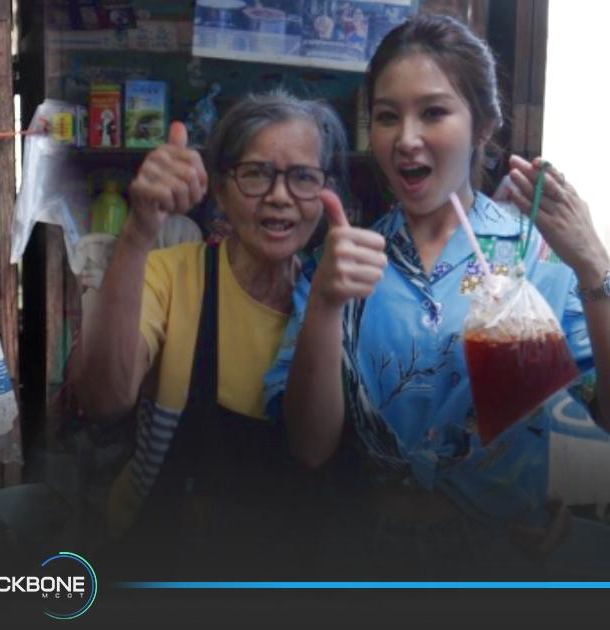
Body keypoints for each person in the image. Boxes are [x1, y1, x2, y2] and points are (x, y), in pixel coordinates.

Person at [269, 14, 610, 578]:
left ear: (483, 126)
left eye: (433, 111)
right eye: (386, 116)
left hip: (506, 562)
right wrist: (327, 306)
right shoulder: (343, 264)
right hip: (362, 560)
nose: (406, 139)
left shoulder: (539, 257)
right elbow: (309, 447)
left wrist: (595, 266)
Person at [74, 91, 348, 578]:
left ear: (327, 196)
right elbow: (104, 398)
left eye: (303, 177)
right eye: (257, 173)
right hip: (155, 560)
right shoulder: (172, 275)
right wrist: (138, 230)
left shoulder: (337, 305)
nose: (280, 196)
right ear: (220, 189)